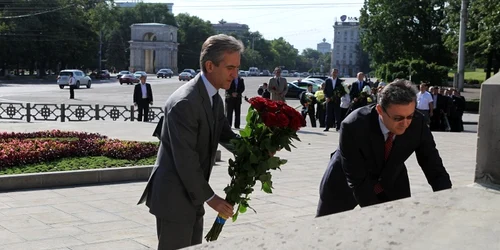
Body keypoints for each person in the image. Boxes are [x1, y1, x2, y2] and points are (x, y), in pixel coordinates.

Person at [137, 34, 243, 250]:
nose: (235, 74)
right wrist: (211, 198)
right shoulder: (185, 102)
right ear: (210, 66)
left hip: (192, 195)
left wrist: (257, 151)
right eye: (230, 67)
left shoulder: (213, 97)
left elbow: (226, 136)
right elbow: (185, 159)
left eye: (237, 67)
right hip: (174, 197)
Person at [316, 79, 452, 217]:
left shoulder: (418, 124)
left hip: (391, 179)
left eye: (409, 116)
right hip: (344, 181)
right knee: (324, 231)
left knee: (399, 227)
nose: (405, 124)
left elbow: (434, 167)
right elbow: (357, 179)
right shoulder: (353, 125)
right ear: (380, 110)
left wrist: (448, 201)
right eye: (398, 118)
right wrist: (377, 214)